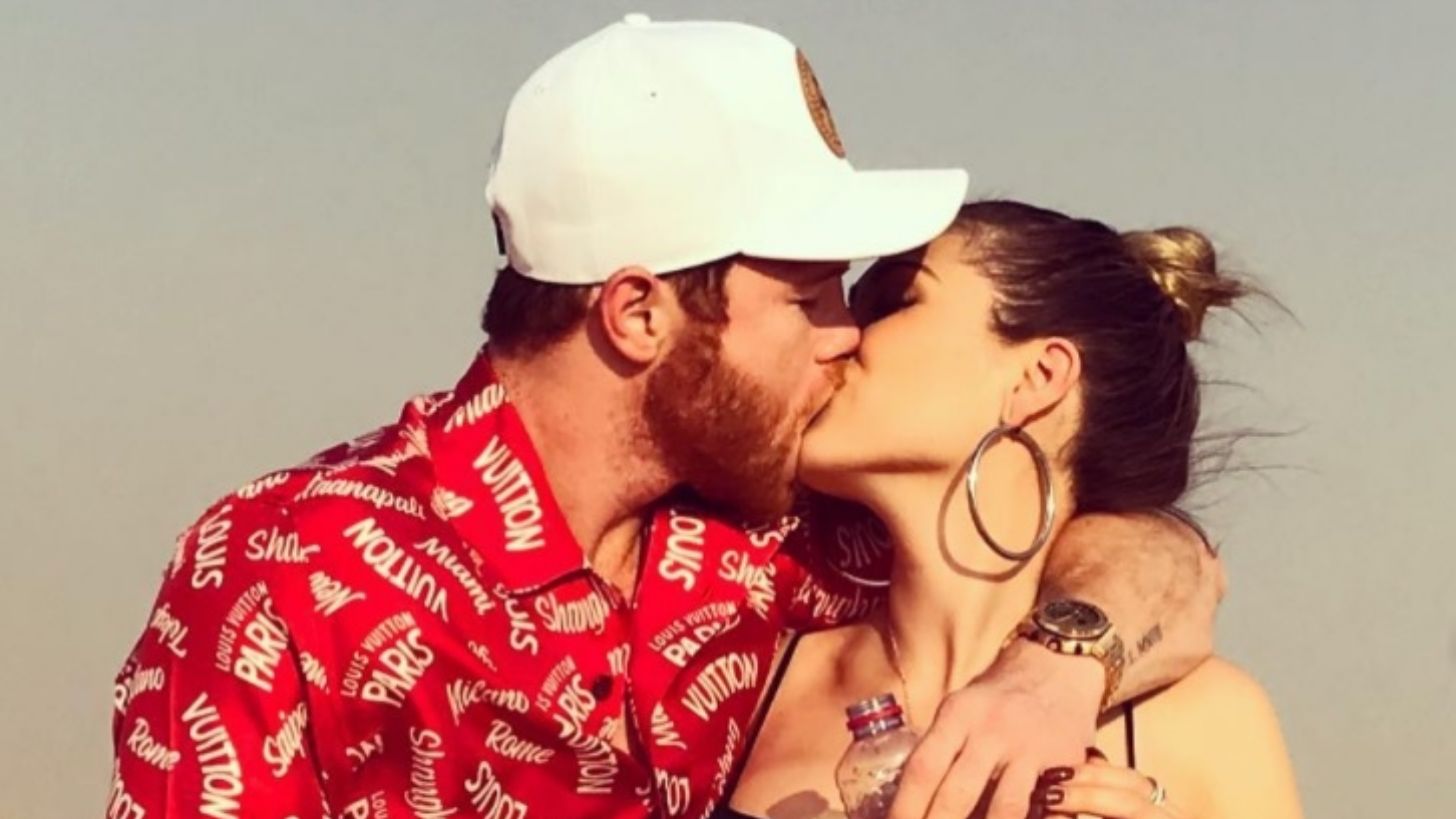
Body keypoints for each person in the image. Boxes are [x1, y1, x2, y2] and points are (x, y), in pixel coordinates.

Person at [107, 16, 1223, 819]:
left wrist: (1054, 670)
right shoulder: (282, 573)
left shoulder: (793, 540)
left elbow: (1155, 555)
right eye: (806, 297)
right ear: (639, 313)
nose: (844, 334)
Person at [721, 201, 1303, 819]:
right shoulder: (743, 686)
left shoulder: (1210, 722)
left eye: (893, 302)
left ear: (1039, 376)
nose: (840, 336)